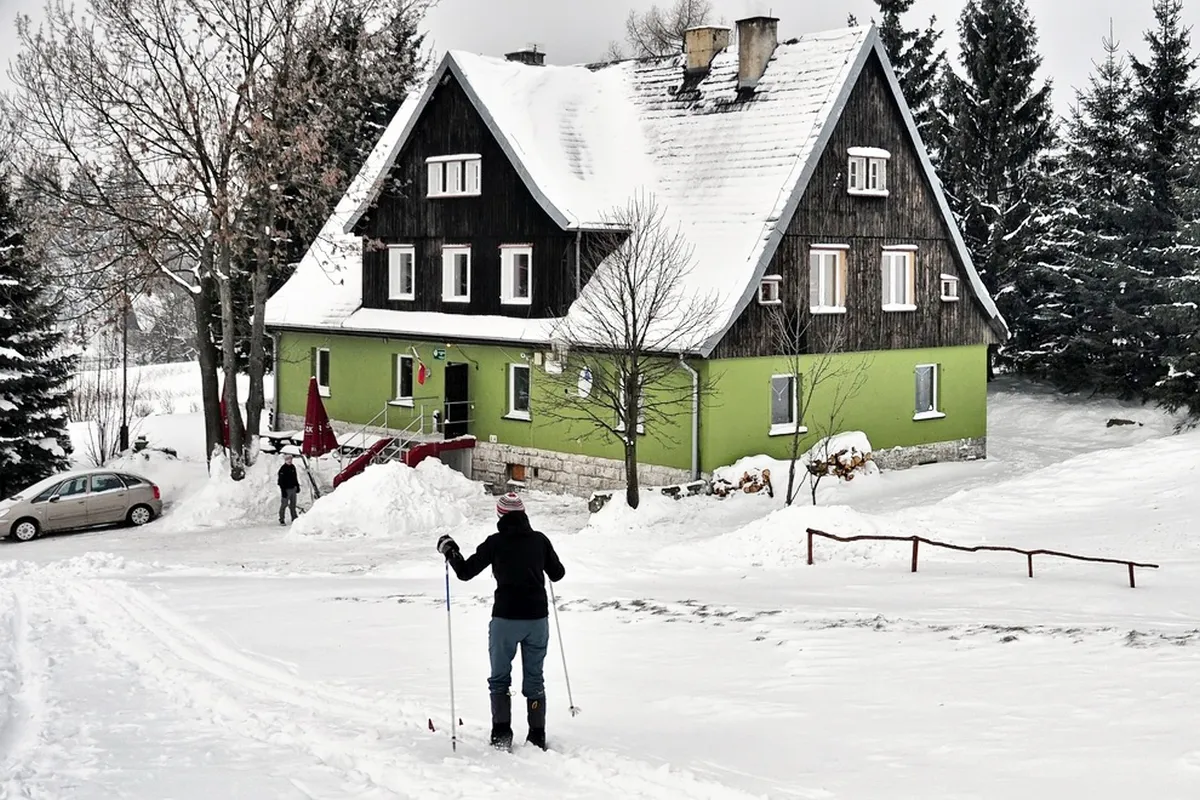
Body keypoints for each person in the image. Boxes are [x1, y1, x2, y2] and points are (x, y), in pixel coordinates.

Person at [437, 492, 565, 752]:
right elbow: (558, 573)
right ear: (524, 514)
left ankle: (502, 734)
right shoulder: (539, 540)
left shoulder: (495, 543)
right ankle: (537, 736)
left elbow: (465, 573)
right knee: (534, 678)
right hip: (537, 620)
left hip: (505, 619)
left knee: (499, 678)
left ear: (500, 516)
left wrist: (450, 550)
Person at [277, 454, 300, 525]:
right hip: (286, 490)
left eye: (291, 459)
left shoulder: (293, 467)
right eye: (288, 459)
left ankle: (294, 518)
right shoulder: (282, 469)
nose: (289, 461)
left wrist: (297, 486)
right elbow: (280, 481)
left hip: (293, 488)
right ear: (285, 460)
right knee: (284, 504)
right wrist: (283, 491)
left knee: (293, 505)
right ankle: (281, 519)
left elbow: (295, 477)